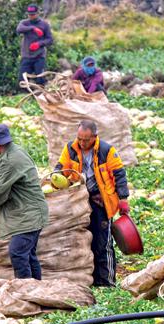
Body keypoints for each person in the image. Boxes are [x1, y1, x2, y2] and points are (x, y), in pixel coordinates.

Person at [55, 120, 129, 286]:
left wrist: (123, 198)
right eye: (79, 138)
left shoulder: (105, 151)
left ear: (95, 137)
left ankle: (107, 282)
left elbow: (119, 174)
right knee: (83, 240)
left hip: (100, 201)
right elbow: (61, 166)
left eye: (86, 139)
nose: (82, 142)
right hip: (79, 201)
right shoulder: (71, 149)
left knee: (103, 243)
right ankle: (89, 279)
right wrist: (54, 177)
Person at [0, 124, 49, 280]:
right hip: (32, 210)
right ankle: (36, 290)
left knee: (17, 252)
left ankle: (25, 290)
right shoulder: (17, 151)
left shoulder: (10, 160)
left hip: (29, 214)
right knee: (29, 254)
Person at [16, 4, 53, 86]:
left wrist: (39, 44)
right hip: (26, 55)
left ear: (37, 13)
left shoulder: (44, 24)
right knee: (22, 79)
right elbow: (19, 29)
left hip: (39, 56)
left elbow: (50, 40)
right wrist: (33, 28)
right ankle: (26, 95)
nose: (31, 16)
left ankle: (40, 95)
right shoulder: (24, 23)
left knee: (40, 78)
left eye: (33, 14)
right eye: (29, 14)